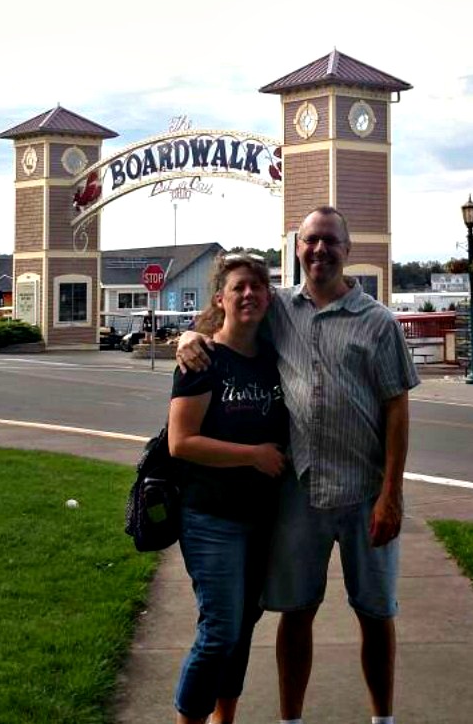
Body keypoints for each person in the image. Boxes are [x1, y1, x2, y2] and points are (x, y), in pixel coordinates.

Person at [177, 206, 419, 724]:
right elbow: (229, 322)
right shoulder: (280, 308)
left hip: (364, 491)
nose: (320, 250)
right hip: (300, 492)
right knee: (296, 609)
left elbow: (397, 405)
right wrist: (187, 337)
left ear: (346, 250)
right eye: (310, 241)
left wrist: (391, 493)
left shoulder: (377, 322)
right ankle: (291, 720)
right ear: (298, 248)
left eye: (331, 241)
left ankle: (383, 718)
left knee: (375, 612)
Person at [168, 252, 288, 724]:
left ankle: (225, 720)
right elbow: (181, 443)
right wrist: (253, 455)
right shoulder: (201, 359)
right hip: (211, 517)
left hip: (262, 517)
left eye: (257, 287)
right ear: (220, 298)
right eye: (238, 287)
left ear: (268, 298)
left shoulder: (273, 358)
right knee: (218, 630)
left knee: (242, 627)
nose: (248, 294)